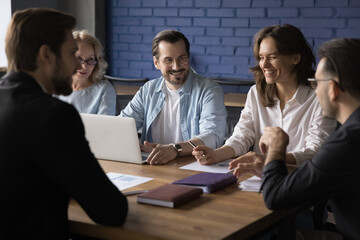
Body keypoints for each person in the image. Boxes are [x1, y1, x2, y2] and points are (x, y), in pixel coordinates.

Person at [0, 8, 127, 239]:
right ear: (46, 55)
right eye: (71, 54)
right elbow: (111, 211)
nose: (77, 67)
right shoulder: (54, 115)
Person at [192, 24, 336, 175]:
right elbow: (242, 136)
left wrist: (270, 160)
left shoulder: (319, 96)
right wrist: (216, 154)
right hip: (260, 180)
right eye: (261, 58)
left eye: (272, 57)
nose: (264, 64)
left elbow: (315, 151)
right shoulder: (256, 93)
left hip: (300, 181)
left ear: (295, 58)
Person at [259, 38, 360, 240]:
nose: (315, 89)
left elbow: (275, 197)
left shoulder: (348, 141)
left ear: (332, 88)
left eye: (316, 83)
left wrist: (277, 148)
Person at [120, 29, 227, 165]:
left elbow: (213, 136)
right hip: (152, 166)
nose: (176, 66)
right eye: (168, 60)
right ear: (156, 63)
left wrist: (175, 149)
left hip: (193, 167)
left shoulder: (209, 90)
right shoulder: (148, 90)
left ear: (188, 58)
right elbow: (123, 124)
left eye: (182, 59)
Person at [56, 29, 116, 115]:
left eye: (90, 59)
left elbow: (104, 128)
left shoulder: (104, 90)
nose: (84, 66)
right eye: (79, 58)